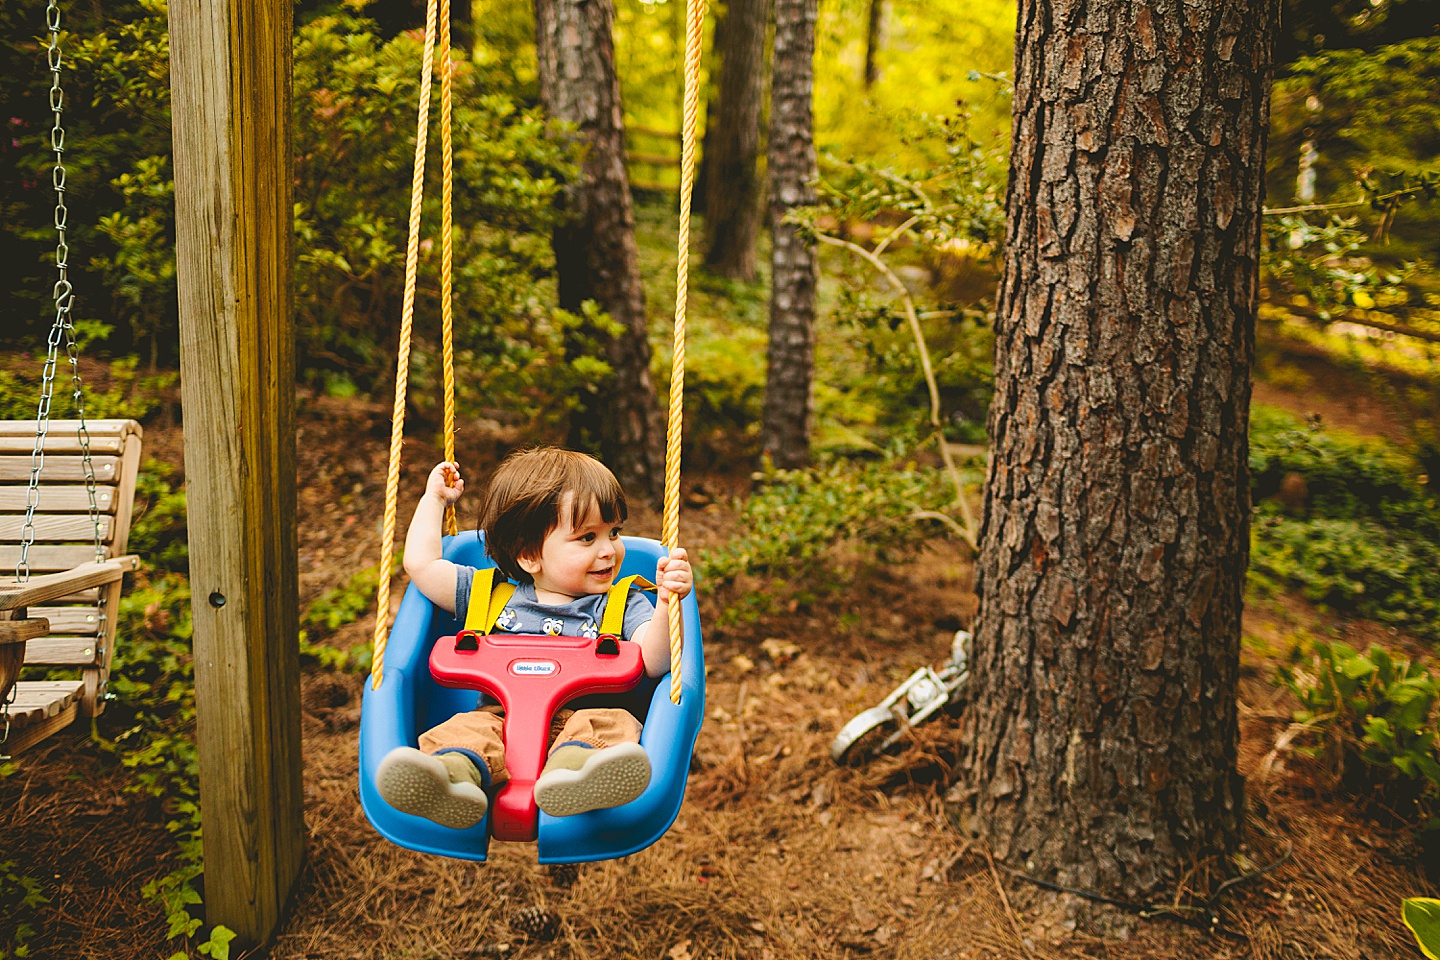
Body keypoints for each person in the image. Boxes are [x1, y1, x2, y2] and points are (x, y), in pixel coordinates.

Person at [375, 447, 693, 829]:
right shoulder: (488, 596)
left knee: (613, 726)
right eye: (587, 538)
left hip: (583, 720)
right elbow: (423, 565)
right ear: (529, 555)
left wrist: (667, 603)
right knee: (464, 733)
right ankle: (450, 781)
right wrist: (433, 500)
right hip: (500, 721)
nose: (609, 550)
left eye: (614, 532)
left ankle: (576, 778)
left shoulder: (623, 604)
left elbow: (656, 660)